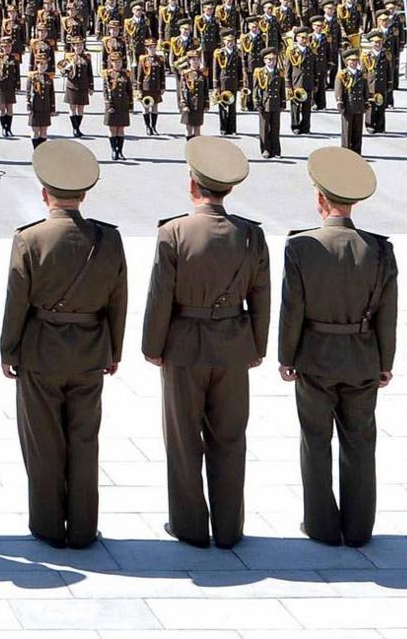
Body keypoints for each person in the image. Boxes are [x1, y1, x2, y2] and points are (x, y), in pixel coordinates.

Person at [143, 137, 269, 549]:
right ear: (228, 189)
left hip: (183, 345)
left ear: (192, 186)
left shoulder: (173, 232)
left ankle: (190, 526)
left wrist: (152, 345)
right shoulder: (250, 236)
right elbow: (262, 297)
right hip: (233, 345)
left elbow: (160, 295)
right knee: (230, 439)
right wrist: (257, 346)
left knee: (182, 440)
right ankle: (230, 528)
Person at [1, 139, 126, 550]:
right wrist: (113, 351)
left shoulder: (30, 239)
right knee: (84, 439)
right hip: (90, 350)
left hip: (41, 350)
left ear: (44, 194)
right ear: (84, 195)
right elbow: (118, 301)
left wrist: (9, 350)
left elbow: (17, 301)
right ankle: (84, 528)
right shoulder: (108, 240)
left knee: (43, 441)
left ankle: (49, 525)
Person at [279, 147, 394, 548]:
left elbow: (293, 308)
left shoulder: (302, 247)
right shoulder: (380, 248)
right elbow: (387, 313)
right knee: (360, 443)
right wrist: (385, 361)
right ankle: (360, 528)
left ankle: (321, 526)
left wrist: (286, 356)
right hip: (362, 356)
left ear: (321, 199)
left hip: (315, 355)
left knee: (315, 441)